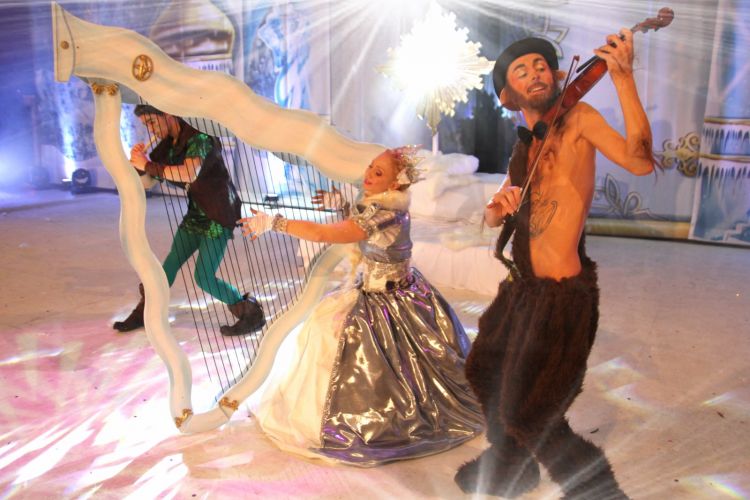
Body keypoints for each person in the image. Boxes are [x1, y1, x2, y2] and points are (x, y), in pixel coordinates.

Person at [454, 33, 656, 498]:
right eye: (521, 70)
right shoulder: (523, 148)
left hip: (563, 298)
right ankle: (511, 465)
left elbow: (640, 162)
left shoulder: (579, 119)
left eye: (541, 65)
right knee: (484, 370)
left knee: (534, 412)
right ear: (508, 96)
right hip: (521, 290)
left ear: (558, 75)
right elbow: (493, 215)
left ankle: (599, 492)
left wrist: (624, 79)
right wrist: (498, 205)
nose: (535, 73)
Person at [241, 147, 483, 466]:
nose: (368, 175)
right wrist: (342, 205)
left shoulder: (386, 212)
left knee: (354, 347)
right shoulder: (382, 206)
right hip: (387, 289)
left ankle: (365, 419)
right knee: (325, 331)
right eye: (370, 167)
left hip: (388, 299)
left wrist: (275, 221)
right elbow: (363, 228)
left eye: (378, 173)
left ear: (395, 184)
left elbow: (326, 233)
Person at [113, 104, 265, 336]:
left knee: (204, 277)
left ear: (167, 114)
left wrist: (148, 165)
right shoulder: (167, 145)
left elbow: (189, 173)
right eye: (146, 125)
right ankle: (146, 311)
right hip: (197, 212)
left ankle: (251, 314)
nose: (151, 130)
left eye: (152, 122)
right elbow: (149, 183)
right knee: (168, 267)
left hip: (219, 211)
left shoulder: (199, 137)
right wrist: (136, 168)